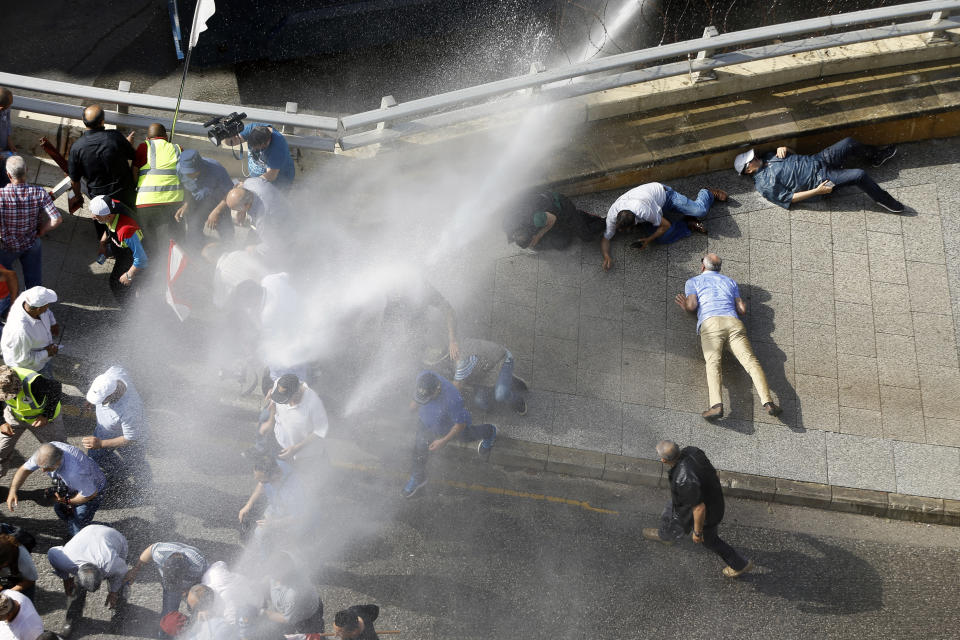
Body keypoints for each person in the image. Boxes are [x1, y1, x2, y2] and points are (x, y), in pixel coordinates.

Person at [675, 253, 780, 420]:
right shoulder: (730, 282)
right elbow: (742, 310)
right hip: (733, 323)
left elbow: (693, 305)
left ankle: (716, 405)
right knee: (751, 362)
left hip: (711, 324)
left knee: (713, 363)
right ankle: (768, 402)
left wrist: (685, 305)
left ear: (703, 266)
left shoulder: (693, 281)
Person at [643, 440, 752, 578]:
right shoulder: (693, 451)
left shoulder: (683, 480)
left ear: (664, 460)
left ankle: (740, 564)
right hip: (710, 499)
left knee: (710, 541)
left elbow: (699, 508)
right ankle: (667, 535)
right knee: (670, 511)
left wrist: (698, 532)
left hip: (707, 513)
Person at [734, 137, 902, 212]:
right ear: (748, 170)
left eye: (753, 155)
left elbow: (794, 155)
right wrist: (817, 191)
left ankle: (875, 156)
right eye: (751, 159)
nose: (755, 157)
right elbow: (789, 198)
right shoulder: (764, 184)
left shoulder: (769, 156)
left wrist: (786, 148)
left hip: (818, 159)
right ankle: (885, 201)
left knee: (849, 143)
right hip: (820, 181)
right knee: (859, 175)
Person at [402, 371, 497, 498]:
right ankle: (419, 478)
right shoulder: (423, 376)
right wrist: (413, 405)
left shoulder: (453, 398)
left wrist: (443, 441)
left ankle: (490, 431)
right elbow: (418, 396)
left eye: (428, 398)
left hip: (448, 426)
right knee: (419, 447)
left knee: (467, 435)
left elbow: (460, 425)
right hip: (426, 422)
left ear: (437, 390)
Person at [601, 182, 727, 271]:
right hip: (652, 208)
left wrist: (648, 240)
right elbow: (606, 238)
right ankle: (688, 224)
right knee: (661, 239)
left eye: (627, 230)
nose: (624, 232)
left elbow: (665, 225)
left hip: (666, 197)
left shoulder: (642, 211)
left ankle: (708, 193)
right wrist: (606, 255)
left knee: (700, 211)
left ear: (635, 221)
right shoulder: (613, 215)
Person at [6, 442, 107, 538]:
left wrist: (67, 501)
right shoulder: (46, 452)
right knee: (60, 510)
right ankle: (81, 526)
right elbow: (24, 470)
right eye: (40, 466)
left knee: (77, 527)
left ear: (58, 462)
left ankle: (99, 531)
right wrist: (12, 491)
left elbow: (91, 494)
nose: (42, 470)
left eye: (46, 468)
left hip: (92, 490)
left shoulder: (75, 472)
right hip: (75, 486)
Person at [46, 525, 129, 637]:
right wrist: (66, 579)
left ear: (102, 573)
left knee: (121, 583)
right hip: (89, 531)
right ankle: (72, 619)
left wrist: (113, 592)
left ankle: (118, 613)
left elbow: (123, 571)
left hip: (115, 538)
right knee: (75, 589)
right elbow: (52, 552)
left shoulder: (111, 564)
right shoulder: (65, 560)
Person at [0, 155, 62, 290]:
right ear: (26, 170)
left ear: (8, 174)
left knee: (4, 280)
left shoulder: (1, 195)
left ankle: (11, 303)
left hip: (6, 246)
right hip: (32, 242)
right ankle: (33, 306)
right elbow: (57, 219)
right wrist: (43, 230)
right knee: (34, 281)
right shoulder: (39, 192)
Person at [81, 365, 147, 482]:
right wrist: (91, 400)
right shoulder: (113, 374)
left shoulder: (130, 409)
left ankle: (144, 487)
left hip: (128, 440)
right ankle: (120, 475)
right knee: (96, 456)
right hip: (104, 431)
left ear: (112, 394)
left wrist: (101, 443)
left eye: (102, 400)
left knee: (136, 464)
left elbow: (130, 438)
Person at [0, 365, 66, 479]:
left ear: (17, 385)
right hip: (14, 416)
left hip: (45, 421)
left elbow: (56, 388)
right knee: (1, 449)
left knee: (57, 450)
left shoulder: (35, 383)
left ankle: (64, 479)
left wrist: (46, 415)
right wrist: (1, 422)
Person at [67, 105, 137, 212]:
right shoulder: (115, 137)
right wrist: (127, 143)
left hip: (99, 198)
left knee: (75, 174)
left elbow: (74, 181)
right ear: (102, 121)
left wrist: (78, 197)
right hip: (124, 192)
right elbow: (133, 156)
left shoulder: (77, 148)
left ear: (83, 120)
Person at [123, 542, 207, 630]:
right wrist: (134, 570)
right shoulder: (160, 553)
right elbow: (150, 550)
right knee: (168, 616)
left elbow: (203, 586)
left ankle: (195, 628)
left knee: (195, 607)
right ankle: (166, 632)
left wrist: (201, 606)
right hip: (171, 580)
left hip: (190, 583)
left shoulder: (198, 565)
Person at [133, 123, 184, 254]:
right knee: (175, 239)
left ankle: (151, 265)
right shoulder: (178, 148)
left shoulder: (144, 146)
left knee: (149, 240)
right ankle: (172, 266)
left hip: (146, 203)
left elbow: (134, 171)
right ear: (166, 137)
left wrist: (136, 188)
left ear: (147, 138)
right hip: (174, 201)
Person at [238, 455, 309, 548]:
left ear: (275, 476)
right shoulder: (274, 465)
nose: (257, 480)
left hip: (293, 518)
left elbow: (301, 517)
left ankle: (266, 558)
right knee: (249, 515)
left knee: (261, 533)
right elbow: (261, 484)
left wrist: (274, 523)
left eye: (263, 480)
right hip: (276, 506)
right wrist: (248, 505)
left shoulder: (293, 490)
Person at [89, 195, 148, 302]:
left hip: (132, 260)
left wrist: (129, 275)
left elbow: (141, 258)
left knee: (118, 284)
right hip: (122, 255)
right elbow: (108, 227)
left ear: (109, 215)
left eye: (96, 215)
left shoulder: (126, 231)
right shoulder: (111, 207)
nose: (92, 216)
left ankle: (130, 310)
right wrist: (103, 244)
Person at [259, 374, 328, 464]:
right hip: (280, 444)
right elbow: (274, 402)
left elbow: (320, 431)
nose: (282, 402)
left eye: (284, 399)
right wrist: (270, 421)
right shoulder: (280, 384)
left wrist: (296, 448)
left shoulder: (313, 403)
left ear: (296, 393)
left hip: (305, 455)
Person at [503, 190, 604, 251]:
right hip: (542, 210)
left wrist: (539, 236)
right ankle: (570, 227)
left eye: (531, 243)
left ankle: (610, 220)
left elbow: (552, 219)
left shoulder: (536, 220)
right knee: (561, 243)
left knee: (587, 236)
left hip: (560, 206)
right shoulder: (508, 225)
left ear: (533, 233)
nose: (531, 246)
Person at [174, 149, 235, 249]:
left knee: (227, 234)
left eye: (193, 172)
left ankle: (231, 255)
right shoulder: (179, 170)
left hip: (219, 203)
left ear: (200, 166)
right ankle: (198, 256)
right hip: (197, 204)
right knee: (193, 232)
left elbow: (229, 192)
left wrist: (217, 211)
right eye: (187, 173)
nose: (190, 176)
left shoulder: (217, 169)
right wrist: (186, 204)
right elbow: (186, 189)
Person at [449, 338, 526, 415]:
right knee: (480, 401)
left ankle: (517, 400)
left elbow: (456, 386)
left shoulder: (462, 361)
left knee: (501, 395)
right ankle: (504, 380)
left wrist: (448, 407)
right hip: (484, 369)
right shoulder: (454, 347)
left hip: (502, 361)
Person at [221, 180, 291, 257]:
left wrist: (255, 248)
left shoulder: (262, 220)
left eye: (237, 209)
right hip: (284, 206)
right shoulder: (251, 182)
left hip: (286, 229)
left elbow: (273, 245)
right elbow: (240, 185)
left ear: (247, 206)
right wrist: (242, 211)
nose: (236, 211)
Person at [0, 287, 60, 373]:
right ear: (38, 309)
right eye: (47, 305)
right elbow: (22, 360)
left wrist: (53, 323)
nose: (48, 307)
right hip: (30, 368)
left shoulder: (27, 299)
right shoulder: (21, 332)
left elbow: (47, 312)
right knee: (47, 382)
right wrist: (47, 353)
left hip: (41, 354)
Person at [228, 122, 295, 187]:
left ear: (267, 143)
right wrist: (226, 135)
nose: (254, 150)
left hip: (278, 182)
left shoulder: (278, 146)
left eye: (257, 149)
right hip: (257, 181)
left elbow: (271, 175)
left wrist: (247, 184)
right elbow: (232, 142)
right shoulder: (252, 129)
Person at [0, 534, 37, 601]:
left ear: (8, 561)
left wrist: (7, 594)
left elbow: (30, 581)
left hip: (23, 579)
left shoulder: (23, 559)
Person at [0, 89, 18, 190]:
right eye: (8, 106)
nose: (10, 107)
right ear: (1, 108)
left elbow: (7, 123)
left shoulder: (6, 109)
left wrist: (9, 140)